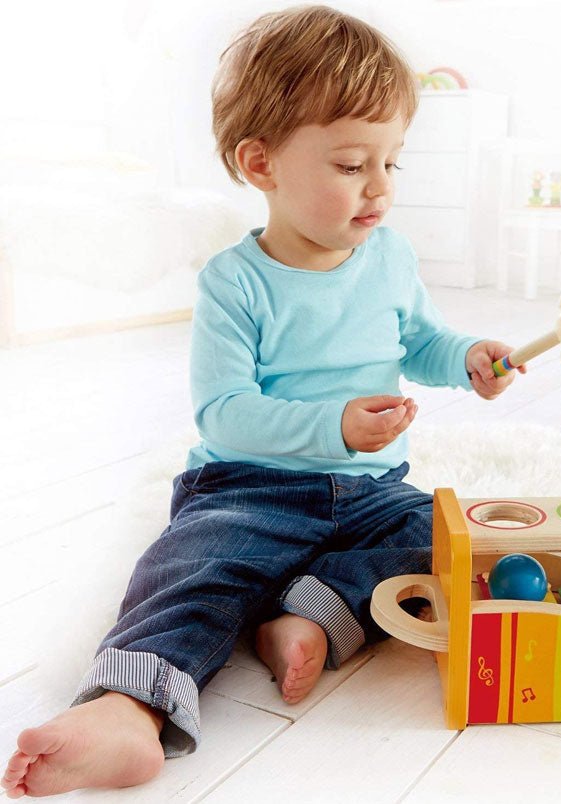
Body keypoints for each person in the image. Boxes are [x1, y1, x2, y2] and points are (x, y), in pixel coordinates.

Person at [1, 5, 524, 798]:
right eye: (352, 165)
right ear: (261, 164)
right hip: (251, 487)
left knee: (441, 532)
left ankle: (308, 615)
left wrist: (468, 360)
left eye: (392, 163)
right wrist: (333, 425)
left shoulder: (389, 255)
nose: (379, 188)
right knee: (192, 566)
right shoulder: (234, 282)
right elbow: (224, 413)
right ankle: (127, 710)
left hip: (374, 491)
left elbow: (420, 341)